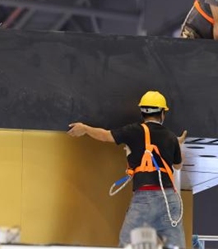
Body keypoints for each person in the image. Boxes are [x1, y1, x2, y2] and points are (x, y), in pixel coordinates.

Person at [68, 91, 187, 248]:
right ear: (163, 113)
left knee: (128, 244)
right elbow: (178, 166)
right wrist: (177, 144)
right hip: (169, 199)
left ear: (142, 112)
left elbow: (105, 136)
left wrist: (85, 129)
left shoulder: (134, 131)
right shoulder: (171, 137)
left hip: (145, 198)